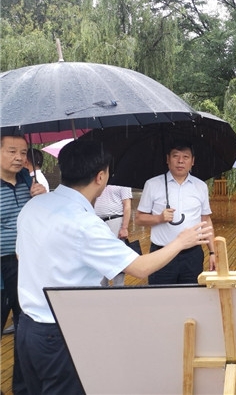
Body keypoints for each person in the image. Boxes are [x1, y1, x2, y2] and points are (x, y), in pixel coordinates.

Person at [15, 139, 212, 394]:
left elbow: (21, 255)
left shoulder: (33, 206)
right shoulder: (84, 223)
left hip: (28, 328)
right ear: (101, 177)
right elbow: (140, 268)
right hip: (62, 332)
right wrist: (181, 241)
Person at [1, 135, 47, 395]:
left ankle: (22, 387)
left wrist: (42, 199)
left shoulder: (29, 182)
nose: (19, 158)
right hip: (1, 263)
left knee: (24, 325)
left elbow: (40, 220)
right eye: (12, 151)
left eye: (23, 152)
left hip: (25, 264)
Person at [136, 140, 216, 284]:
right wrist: (159, 218)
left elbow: (206, 220)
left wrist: (212, 252)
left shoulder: (200, 186)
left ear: (192, 161)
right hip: (161, 254)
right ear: (168, 159)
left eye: (185, 157)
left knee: (191, 295)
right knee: (161, 296)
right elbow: (139, 219)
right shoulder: (152, 184)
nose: (180, 161)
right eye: (175, 156)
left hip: (192, 255)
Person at [94, 184, 133, 286]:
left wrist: (124, 227)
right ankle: (101, 286)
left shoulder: (123, 182)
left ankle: (118, 286)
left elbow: (127, 205)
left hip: (115, 220)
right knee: (100, 255)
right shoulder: (98, 180)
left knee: (117, 255)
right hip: (98, 221)